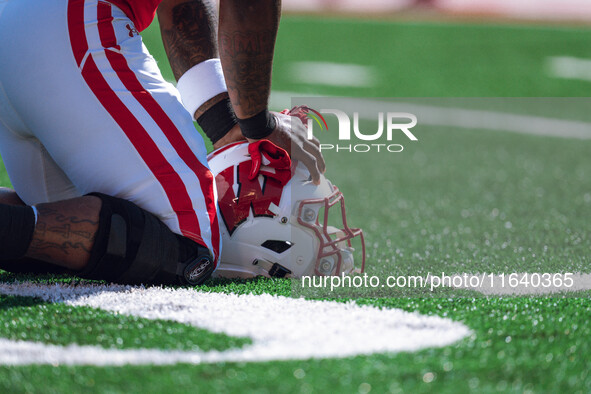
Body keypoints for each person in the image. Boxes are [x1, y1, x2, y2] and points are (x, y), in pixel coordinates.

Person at [0, 0, 324, 285]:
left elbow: (181, 5)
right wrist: (256, 122)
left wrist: (225, 124)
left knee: (83, 229)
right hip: (69, 27)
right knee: (186, 247)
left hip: (11, 19)